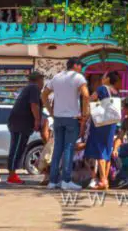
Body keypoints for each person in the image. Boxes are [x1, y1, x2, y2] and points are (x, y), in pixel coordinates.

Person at [42, 58, 88, 191]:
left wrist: (51, 112)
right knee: (69, 148)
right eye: (80, 66)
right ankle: (66, 180)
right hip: (71, 118)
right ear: (75, 65)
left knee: (57, 148)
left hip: (58, 118)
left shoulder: (57, 77)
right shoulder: (78, 77)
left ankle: (52, 181)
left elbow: (44, 95)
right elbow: (85, 95)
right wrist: (84, 115)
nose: (81, 69)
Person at [83, 71, 123, 189]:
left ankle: (103, 180)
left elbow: (90, 99)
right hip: (112, 123)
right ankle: (105, 180)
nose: (102, 78)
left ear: (108, 79)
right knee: (107, 148)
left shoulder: (102, 89)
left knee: (100, 150)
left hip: (101, 123)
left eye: (104, 77)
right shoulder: (116, 92)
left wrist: (90, 106)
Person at [5, 72, 44, 184]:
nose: (43, 84)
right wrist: (37, 120)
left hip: (19, 123)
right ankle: (12, 175)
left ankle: (12, 174)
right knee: (17, 148)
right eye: (42, 81)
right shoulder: (34, 88)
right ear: (38, 80)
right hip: (21, 123)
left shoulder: (29, 88)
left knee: (18, 148)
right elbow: (34, 105)